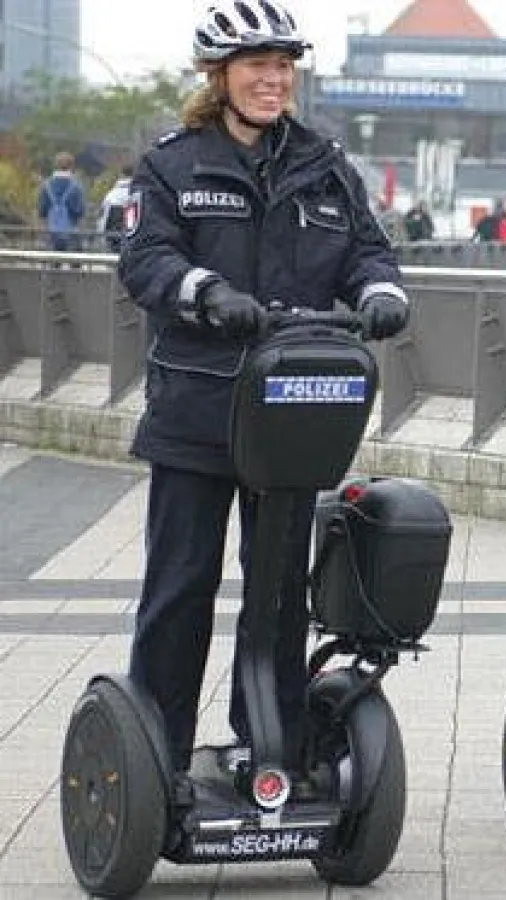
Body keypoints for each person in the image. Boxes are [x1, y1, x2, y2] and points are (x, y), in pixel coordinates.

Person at [118, 0, 410, 777]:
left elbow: (368, 252)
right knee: (180, 586)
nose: (272, 80)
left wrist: (381, 292)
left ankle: (269, 745)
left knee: (280, 593)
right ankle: (160, 755)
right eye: (255, 66)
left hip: (294, 411)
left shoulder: (324, 163)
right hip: (198, 411)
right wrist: (205, 290)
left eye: (282, 66)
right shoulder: (173, 164)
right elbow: (144, 258)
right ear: (219, 76)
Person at [37, 151, 86, 251]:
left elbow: (42, 211)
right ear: (71, 166)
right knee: (75, 261)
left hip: (52, 230)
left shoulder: (46, 186)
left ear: (56, 165)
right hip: (71, 230)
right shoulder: (76, 186)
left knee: (53, 262)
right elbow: (80, 211)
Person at [97, 163, 134, 252]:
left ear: (121, 174)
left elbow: (103, 218)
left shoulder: (111, 195)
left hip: (113, 237)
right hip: (130, 238)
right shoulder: (137, 194)